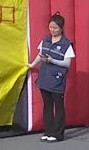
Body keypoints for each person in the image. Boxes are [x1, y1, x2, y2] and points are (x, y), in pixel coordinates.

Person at [29, 13, 75, 142]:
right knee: (47, 105)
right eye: (50, 27)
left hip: (57, 80)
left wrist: (52, 60)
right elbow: (40, 54)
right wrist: (32, 64)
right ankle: (48, 131)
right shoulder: (46, 39)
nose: (52, 30)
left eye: (55, 28)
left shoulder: (66, 44)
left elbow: (67, 63)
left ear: (61, 28)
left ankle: (58, 134)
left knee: (58, 107)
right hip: (44, 78)